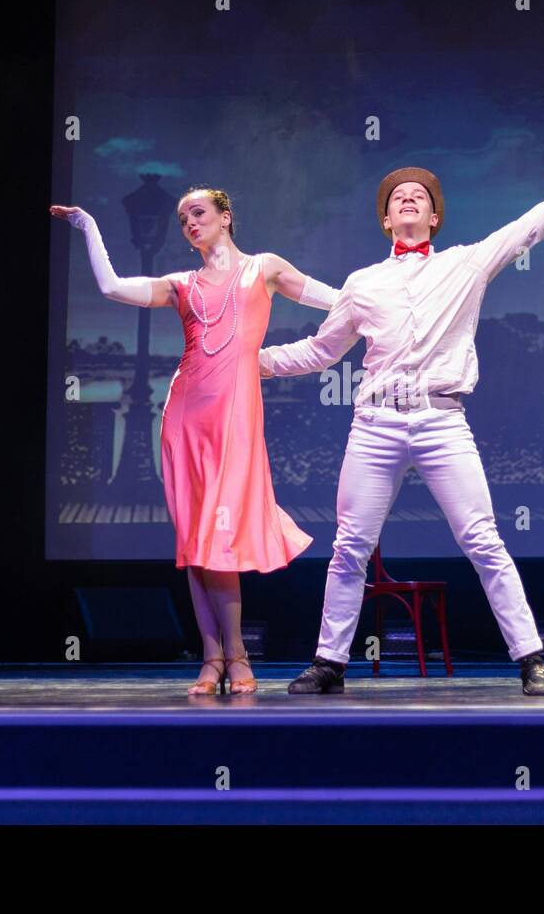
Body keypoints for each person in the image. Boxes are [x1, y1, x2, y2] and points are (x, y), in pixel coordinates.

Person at [259, 139, 544, 695]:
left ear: (433, 215)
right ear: (386, 220)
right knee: (350, 546)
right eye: (397, 197)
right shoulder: (361, 284)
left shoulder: (466, 263)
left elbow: (531, 225)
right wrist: (250, 363)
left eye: (418, 196)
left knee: (483, 539)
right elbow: (319, 351)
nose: (407, 199)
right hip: (376, 425)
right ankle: (329, 662)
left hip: (441, 421)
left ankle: (530, 658)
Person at [50, 187, 341, 695]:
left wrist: (391, 313)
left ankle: (237, 654)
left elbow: (337, 301)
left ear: (226, 217)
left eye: (198, 212)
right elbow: (113, 287)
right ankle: (212, 659)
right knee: (195, 543)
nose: (189, 222)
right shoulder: (181, 284)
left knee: (219, 535)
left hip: (235, 417)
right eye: (183, 217)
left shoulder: (264, 268)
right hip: (184, 415)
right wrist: (88, 228)